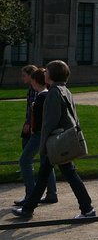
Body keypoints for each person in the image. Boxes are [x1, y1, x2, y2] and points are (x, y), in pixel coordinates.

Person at [12, 60, 95, 219]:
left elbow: (49, 122)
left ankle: (87, 209)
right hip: (63, 139)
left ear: (52, 75)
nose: (44, 73)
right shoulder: (64, 90)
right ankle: (29, 208)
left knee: (62, 175)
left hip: (56, 142)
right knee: (49, 175)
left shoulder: (53, 93)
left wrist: (43, 145)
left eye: (46, 71)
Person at [16, 68, 58, 206]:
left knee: (24, 161)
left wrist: (32, 125)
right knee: (46, 164)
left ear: (34, 80)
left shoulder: (41, 95)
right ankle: (51, 194)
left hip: (39, 134)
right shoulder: (48, 94)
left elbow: (40, 119)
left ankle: (31, 195)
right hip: (45, 134)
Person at [20, 65, 38, 151]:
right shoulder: (33, 87)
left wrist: (28, 123)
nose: (22, 78)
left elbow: (32, 106)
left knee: (26, 147)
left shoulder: (33, 88)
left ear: (30, 76)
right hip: (31, 120)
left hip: (31, 121)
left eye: (24, 75)